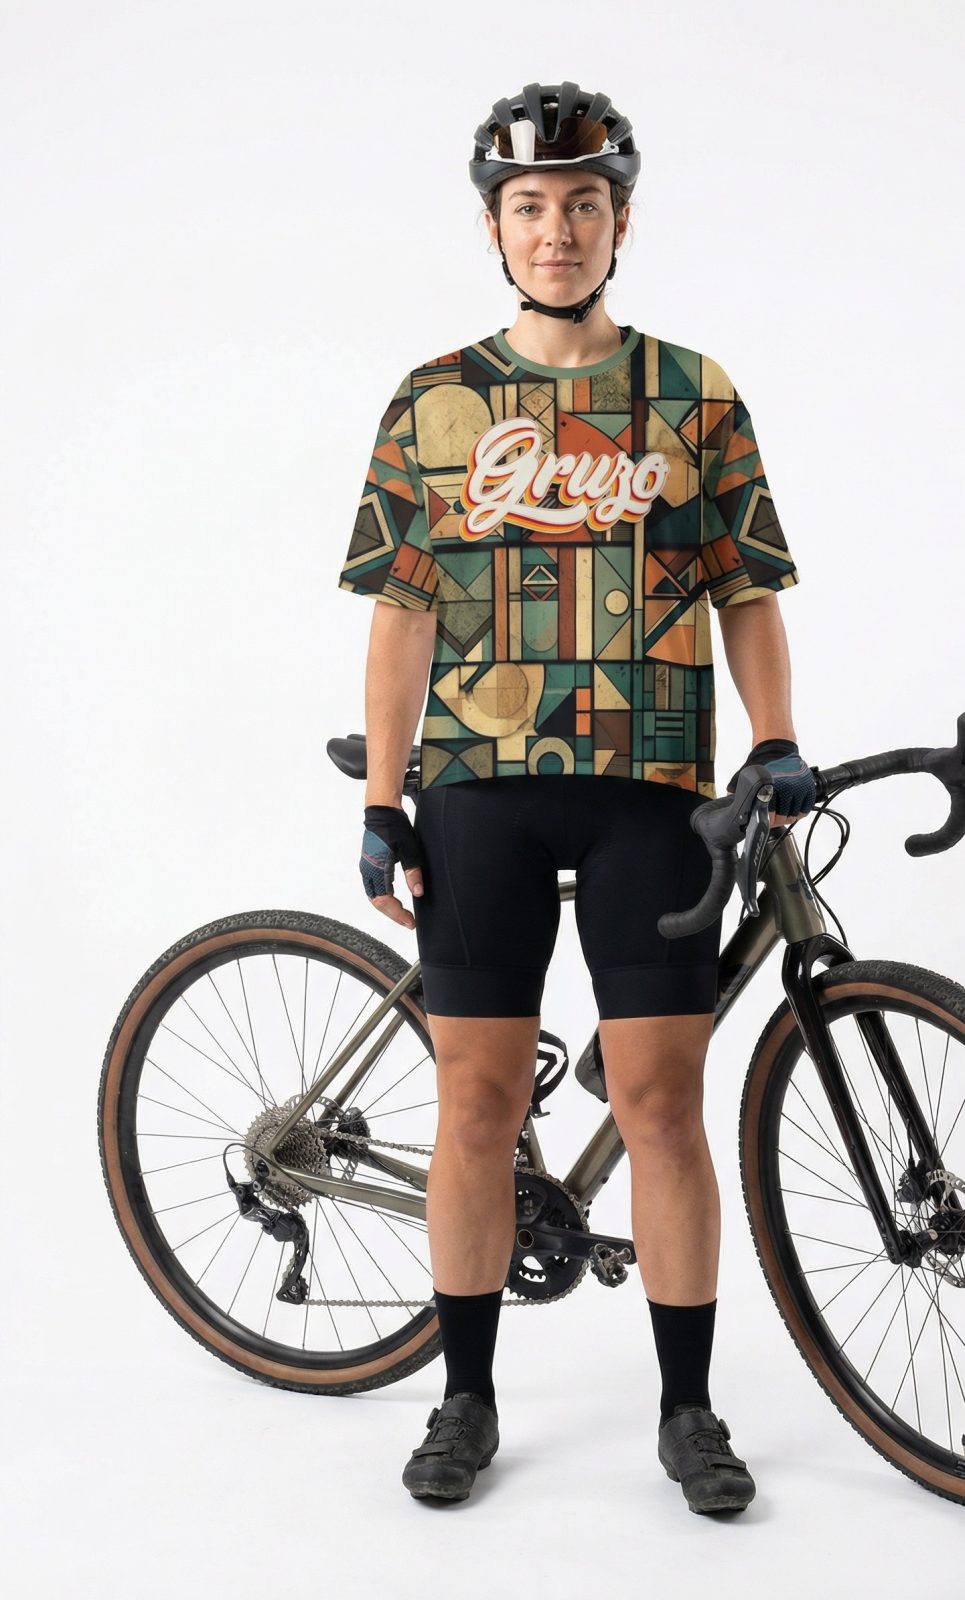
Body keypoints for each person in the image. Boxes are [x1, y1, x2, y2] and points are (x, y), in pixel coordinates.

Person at [338, 81, 816, 1515]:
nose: (559, 231)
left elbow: (747, 590)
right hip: (477, 786)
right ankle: (466, 1398)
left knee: (664, 1104)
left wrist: (777, 740)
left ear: (621, 220)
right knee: (476, 1106)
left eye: (585, 205)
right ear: (495, 228)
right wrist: (382, 799)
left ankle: (689, 1411)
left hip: (652, 788)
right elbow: (401, 615)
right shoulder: (435, 399)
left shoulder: (694, 392)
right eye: (532, 207)